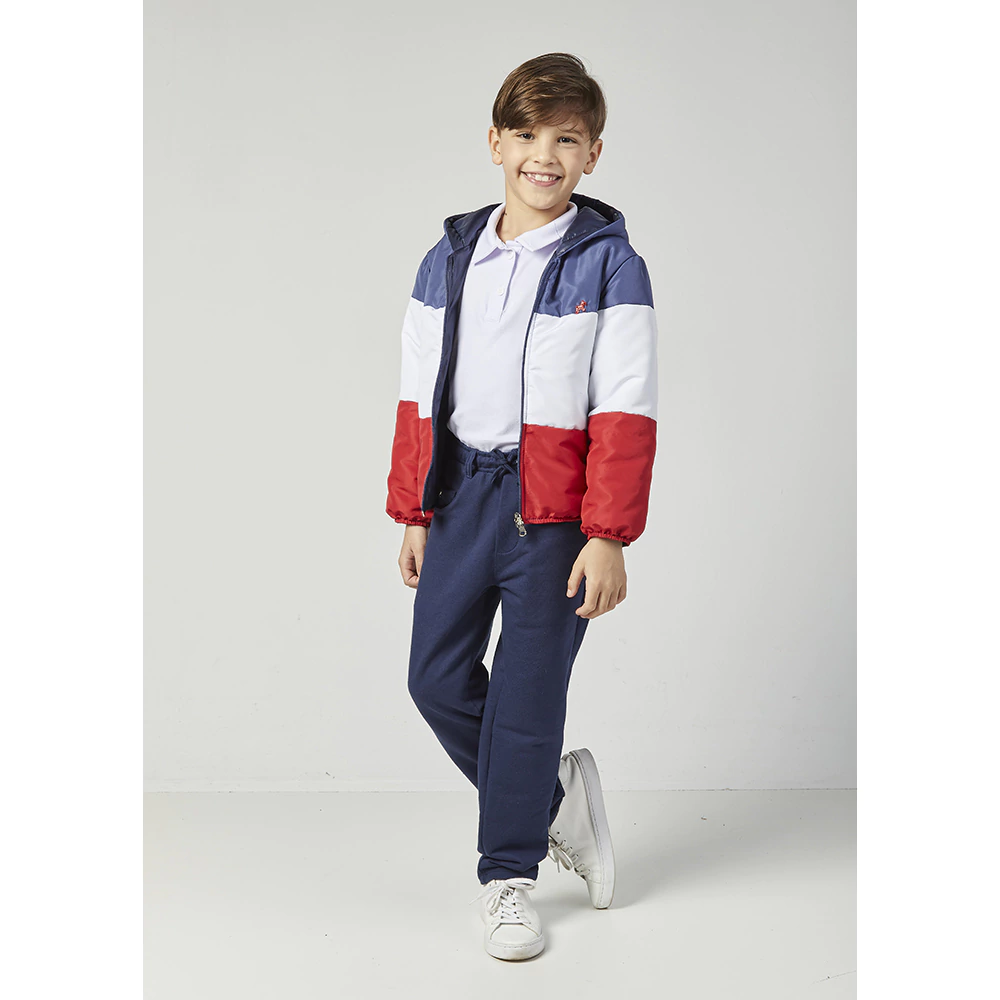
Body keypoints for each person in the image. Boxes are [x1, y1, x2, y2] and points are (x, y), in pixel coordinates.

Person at [385, 52, 658, 961]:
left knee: (526, 698)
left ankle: (507, 878)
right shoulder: (451, 255)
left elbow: (626, 408)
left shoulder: (609, 263)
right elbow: (417, 392)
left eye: (568, 140)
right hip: (462, 494)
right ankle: (554, 802)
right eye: (528, 135)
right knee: (435, 679)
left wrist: (607, 534)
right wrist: (415, 509)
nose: (546, 155)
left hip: (556, 515)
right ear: (496, 143)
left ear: (593, 154)